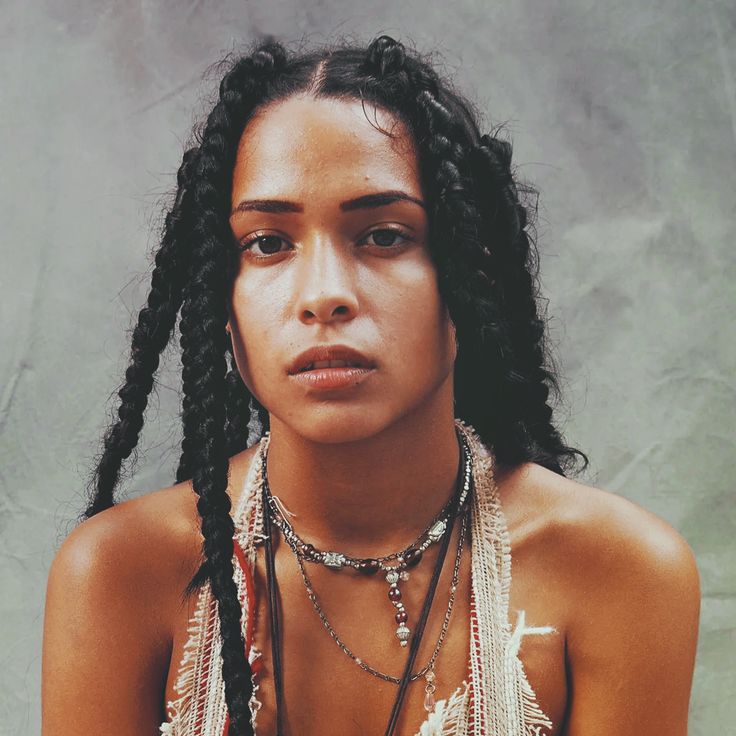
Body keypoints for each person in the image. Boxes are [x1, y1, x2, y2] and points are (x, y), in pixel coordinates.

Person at [41, 35, 701, 736]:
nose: (324, 295)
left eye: (383, 236)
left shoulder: (619, 572)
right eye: (267, 242)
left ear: (467, 281)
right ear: (221, 305)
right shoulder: (119, 575)